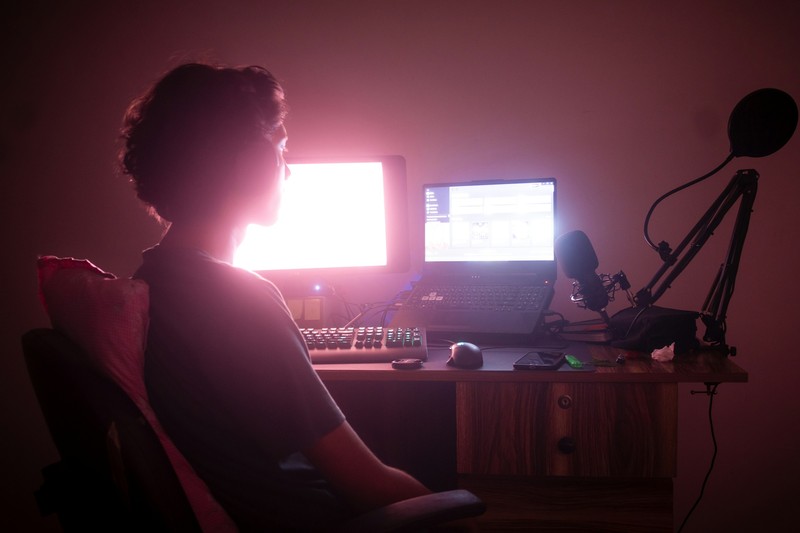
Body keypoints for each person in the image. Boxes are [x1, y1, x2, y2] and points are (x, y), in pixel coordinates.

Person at [119, 62, 430, 531]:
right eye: (282, 150)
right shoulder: (236, 300)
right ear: (254, 164)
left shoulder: (152, 280)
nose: (287, 171)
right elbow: (370, 486)